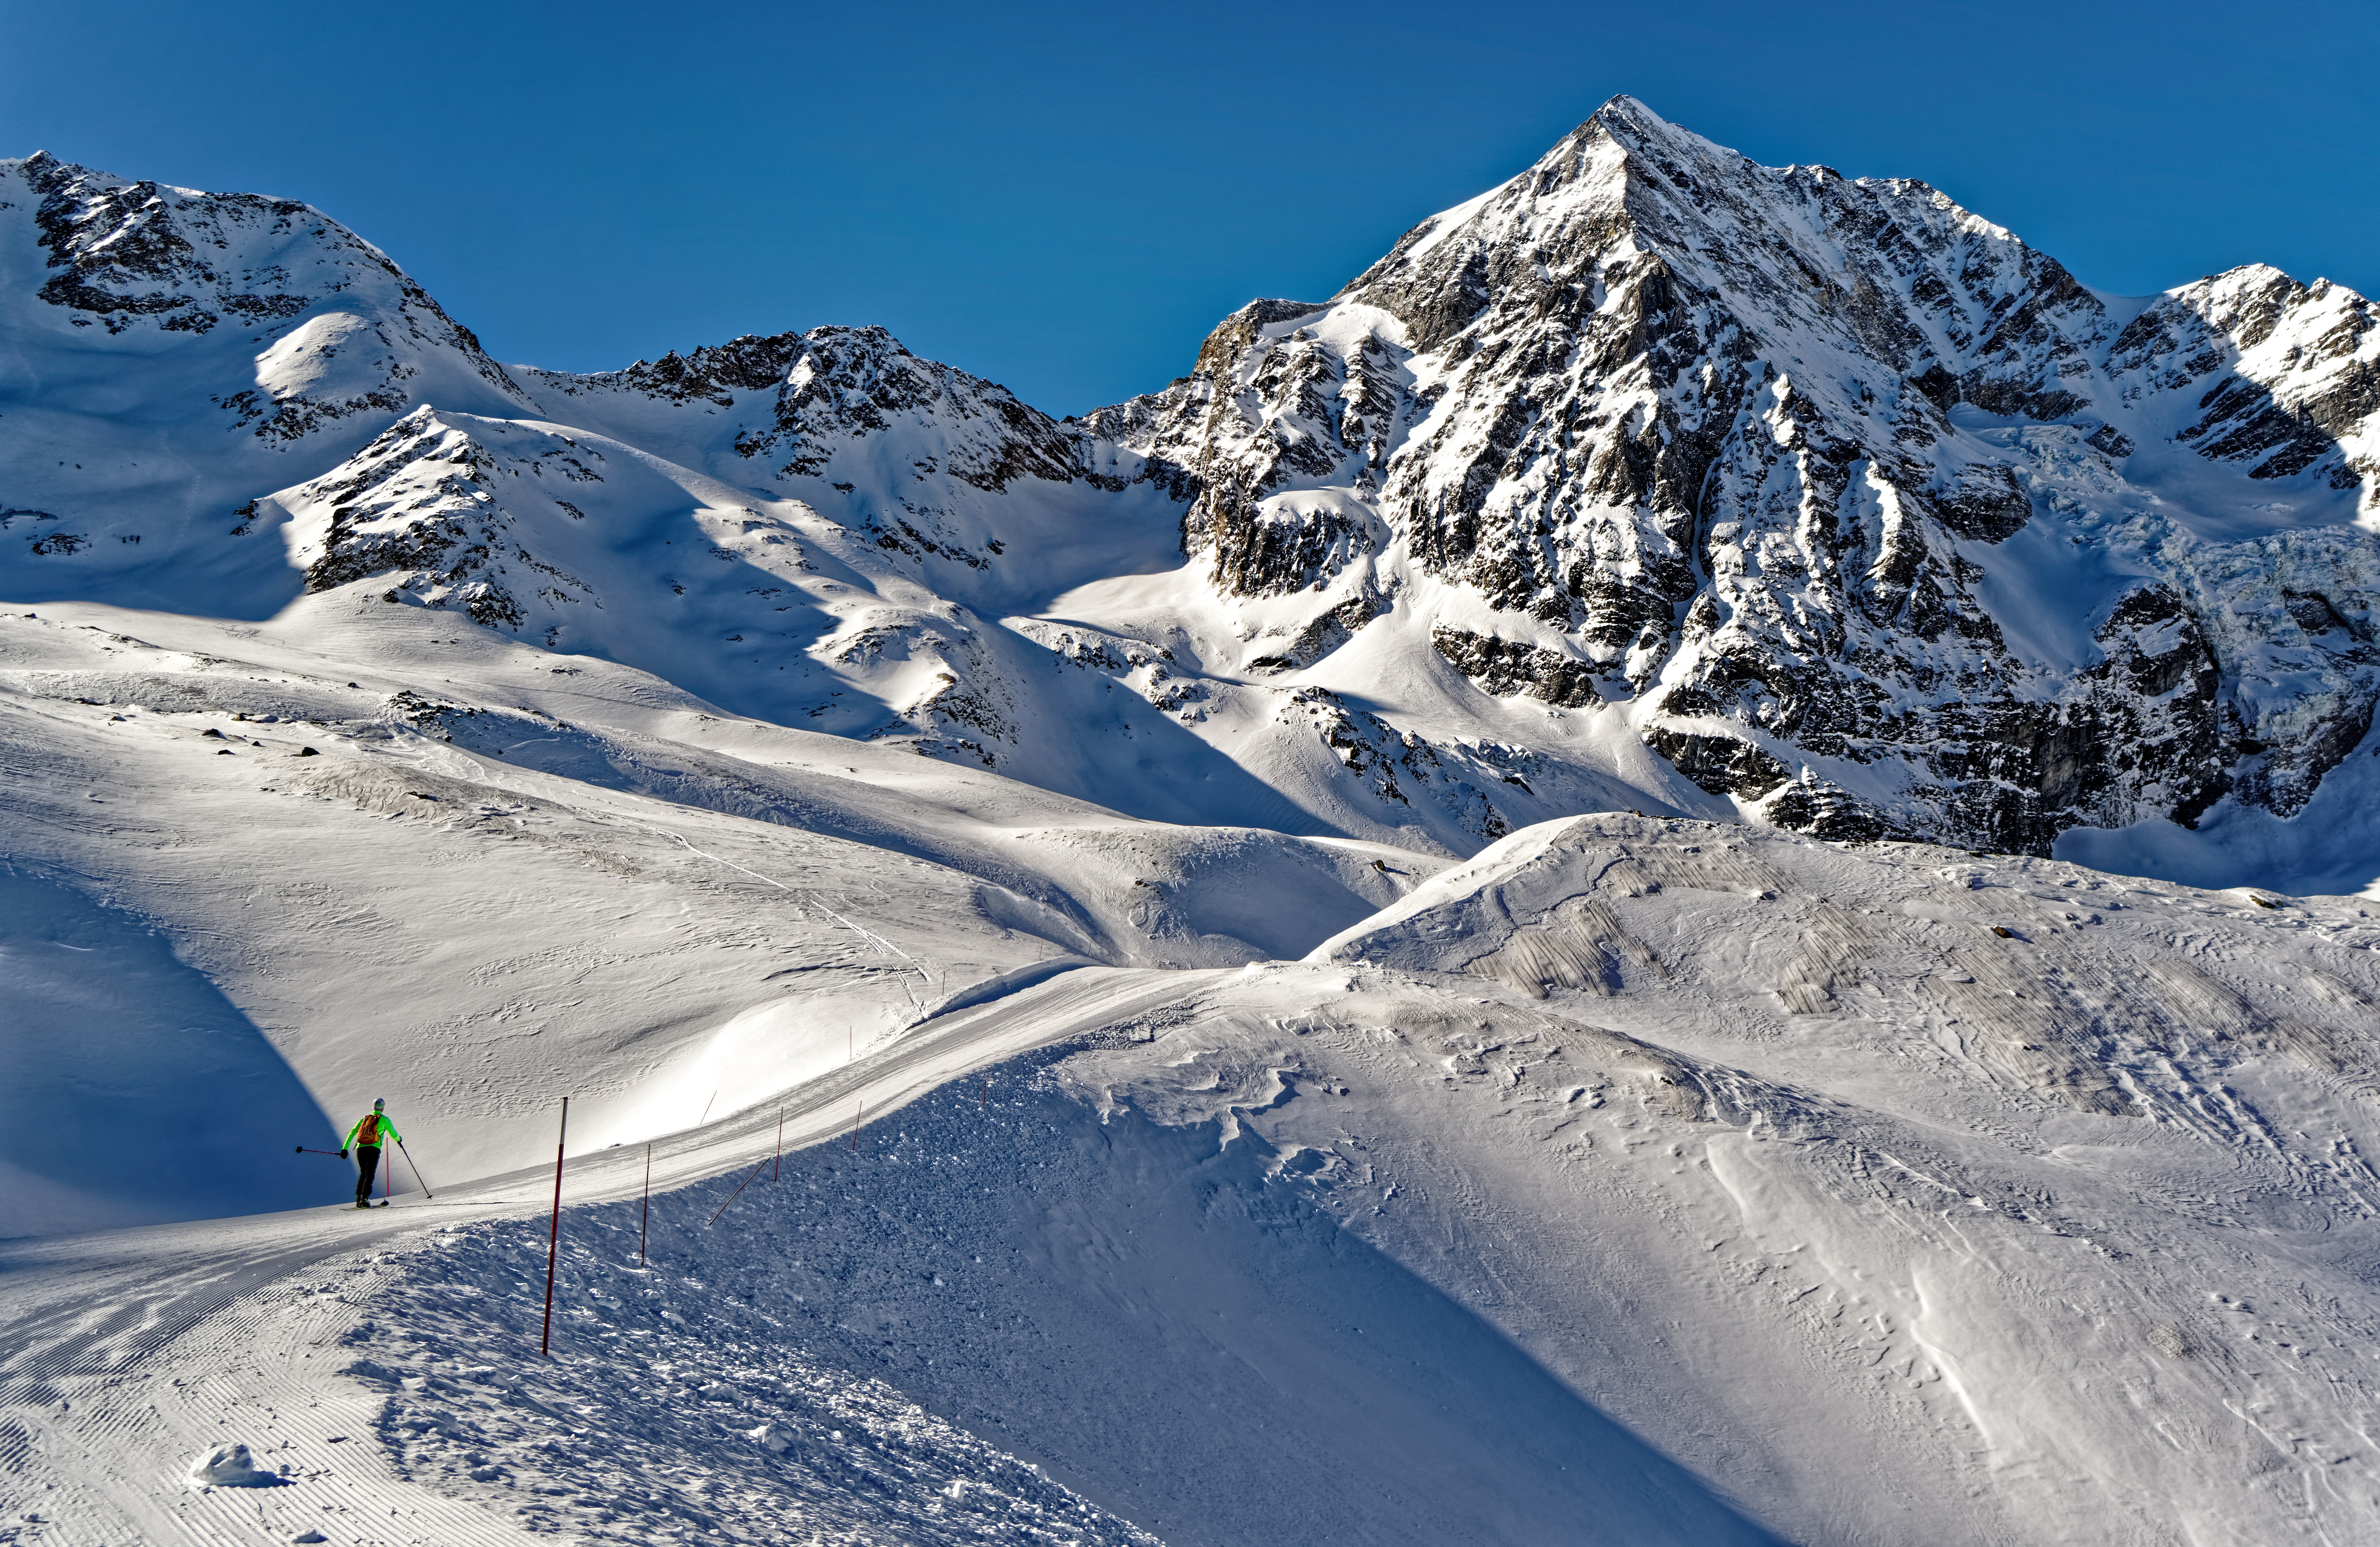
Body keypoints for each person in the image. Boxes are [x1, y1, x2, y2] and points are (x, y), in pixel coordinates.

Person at [340, 1099, 404, 1209]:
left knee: (363, 1173)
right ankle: (365, 1198)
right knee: (370, 1173)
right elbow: (394, 1134)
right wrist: (399, 1140)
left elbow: (352, 1132)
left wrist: (345, 1148)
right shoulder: (384, 1120)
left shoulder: (364, 1119)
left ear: (374, 1107)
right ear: (383, 1108)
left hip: (360, 1149)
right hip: (374, 1149)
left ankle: (359, 1199)